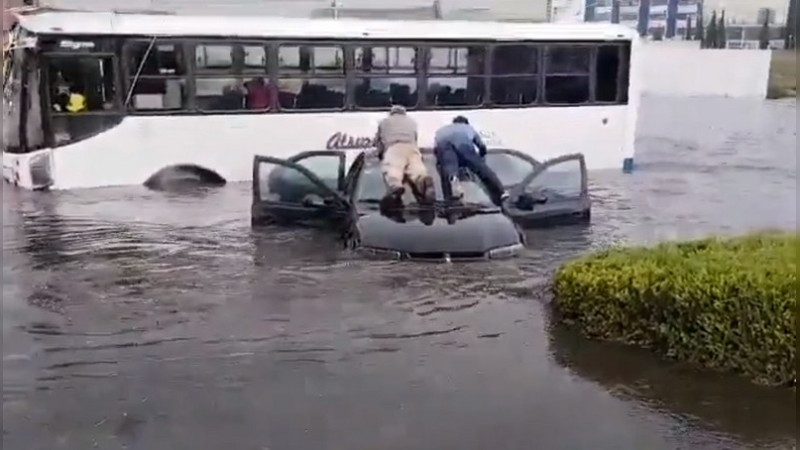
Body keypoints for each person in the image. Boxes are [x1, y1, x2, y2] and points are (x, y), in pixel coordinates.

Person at [433, 116, 509, 204]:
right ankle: (501, 192)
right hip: (463, 144)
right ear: (466, 123)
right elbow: (481, 145)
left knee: (449, 168)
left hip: (443, 144)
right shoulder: (468, 128)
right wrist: (481, 158)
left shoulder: (441, 130)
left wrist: (441, 162)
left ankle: (453, 182)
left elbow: (436, 150)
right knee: (483, 169)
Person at [374, 105, 434, 205]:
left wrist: (380, 153)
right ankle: (423, 181)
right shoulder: (412, 122)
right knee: (417, 169)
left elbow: (378, 140)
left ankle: (396, 187)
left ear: (392, 112)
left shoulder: (385, 122)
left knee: (393, 170)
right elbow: (415, 138)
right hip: (412, 148)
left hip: (395, 147)